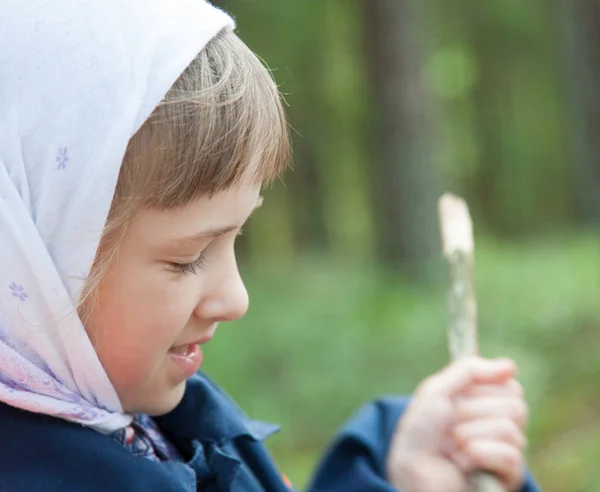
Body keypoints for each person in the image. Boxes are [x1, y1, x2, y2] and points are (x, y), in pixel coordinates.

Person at [0, 1, 539, 490]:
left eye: (236, 237)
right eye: (186, 259)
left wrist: (401, 475)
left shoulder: (162, 425)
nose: (235, 298)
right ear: (28, 265)